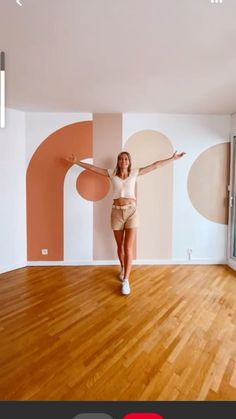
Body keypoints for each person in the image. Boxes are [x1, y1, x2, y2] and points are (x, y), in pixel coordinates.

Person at [67, 150, 186, 296]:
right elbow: (93, 168)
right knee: (120, 246)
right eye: (121, 159)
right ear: (118, 161)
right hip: (116, 213)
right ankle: (123, 269)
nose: (124, 161)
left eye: (126, 159)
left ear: (129, 162)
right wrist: (76, 162)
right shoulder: (111, 173)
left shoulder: (135, 173)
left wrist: (173, 158)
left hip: (132, 212)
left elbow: (155, 166)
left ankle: (126, 280)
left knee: (128, 247)